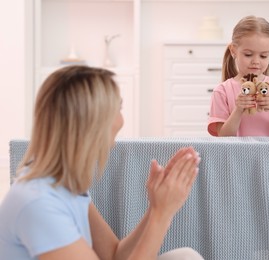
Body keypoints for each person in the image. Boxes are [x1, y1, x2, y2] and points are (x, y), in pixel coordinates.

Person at [0, 65, 204, 260]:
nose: (121, 120)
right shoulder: (39, 203)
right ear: (92, 123)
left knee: (186, 256)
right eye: (118, 108)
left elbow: (114, 255)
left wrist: (155, 207)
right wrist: (162, 214)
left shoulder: (64, 184)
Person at [208, 15, 269, 137]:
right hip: (238, 156)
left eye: (263, 56)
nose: (256, 61)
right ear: (233, 51)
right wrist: (238, 110)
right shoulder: (222, 91)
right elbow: (224, 137)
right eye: (248, 54)